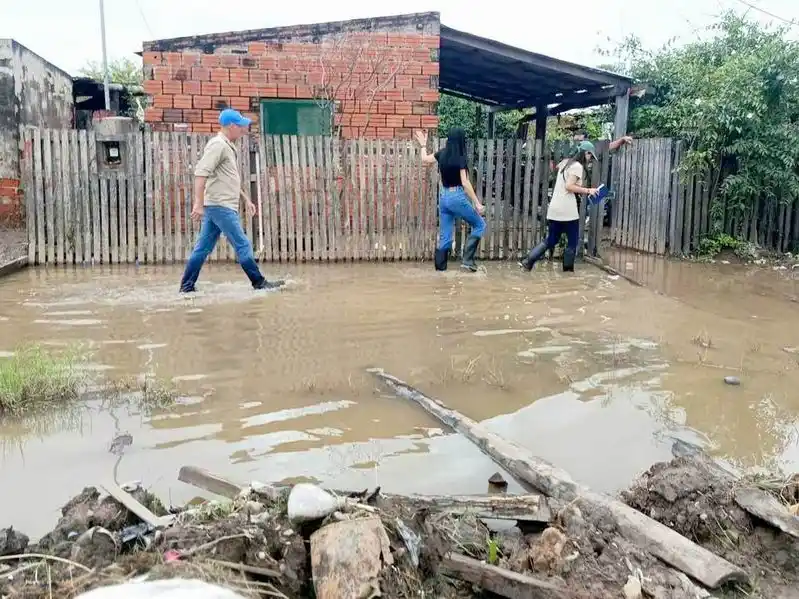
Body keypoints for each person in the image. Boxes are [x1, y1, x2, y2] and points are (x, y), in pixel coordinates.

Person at [179, 109, 283, 293]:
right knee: (243, 244)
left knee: (202, 249)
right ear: (231, 126)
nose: (244, 129)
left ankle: (186, 287)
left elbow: (230, 178)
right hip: (221, 206)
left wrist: (246, 199)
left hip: (218, 206)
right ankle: (259, 282)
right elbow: (200, 173)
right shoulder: (218, 145)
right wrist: (198, 203)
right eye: (241, 126)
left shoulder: (227, 146)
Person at [520, 140, 599, 273]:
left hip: (555, 209)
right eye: (590, 155)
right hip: (567, 211)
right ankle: (568, 273)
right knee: (572, 242)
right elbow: (569, 186)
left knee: (551, 239)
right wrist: (588, 190)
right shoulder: (577, 166)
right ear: (586, 153)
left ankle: (528, 262)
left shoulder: (565, 164)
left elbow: (561, 175)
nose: (590, 159)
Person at [415, 128, 486, 272]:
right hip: (456, 196)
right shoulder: (460, 157)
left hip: (444, 198)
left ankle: (440, 272)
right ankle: (467, 262)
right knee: (480, 225)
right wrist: (477, 203)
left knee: (445, 237)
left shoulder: (442, 154)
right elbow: (465, 183)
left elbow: (424, 159)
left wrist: (423, 144)